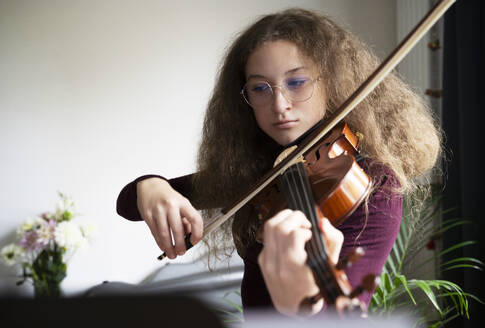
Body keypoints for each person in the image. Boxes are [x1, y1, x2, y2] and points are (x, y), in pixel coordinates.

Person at [117, 8, 441, 317]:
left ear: (332, 80)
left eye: (296, 82)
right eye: (260, 88)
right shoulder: (258, 169)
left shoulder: (374, 185)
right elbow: (128, 204)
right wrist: (152, 187)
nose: (279, 104)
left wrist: (299, 305)